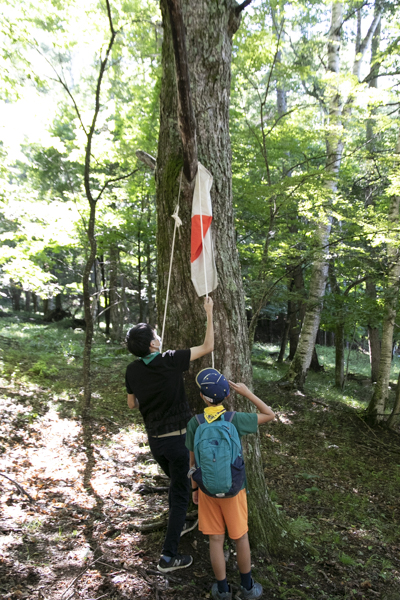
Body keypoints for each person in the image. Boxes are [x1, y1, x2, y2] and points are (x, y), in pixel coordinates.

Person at [125, 297, 214, 574]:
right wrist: (209, 314)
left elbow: (132, 404)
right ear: (152, 344)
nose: (158, 335)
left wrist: (149, 397)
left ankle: (182, 523)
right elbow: (208, 346)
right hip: (178, 441)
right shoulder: (171, 359)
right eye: (155, 334)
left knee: (180, 485)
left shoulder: (132, 370)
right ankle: (168, 557)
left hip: (156, 443)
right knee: (179, 495)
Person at [185, 368, 275, 600]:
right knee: (240, 537)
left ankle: (223, 590)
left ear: (203, 397)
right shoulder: (234, 420)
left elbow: (193, 460)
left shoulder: (195, 422)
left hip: (206, 489)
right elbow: (269, 414)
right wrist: (246, 393)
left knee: (216, 539)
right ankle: (247, 587)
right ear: (226, 396)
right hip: (234, 488)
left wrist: (195, 488)